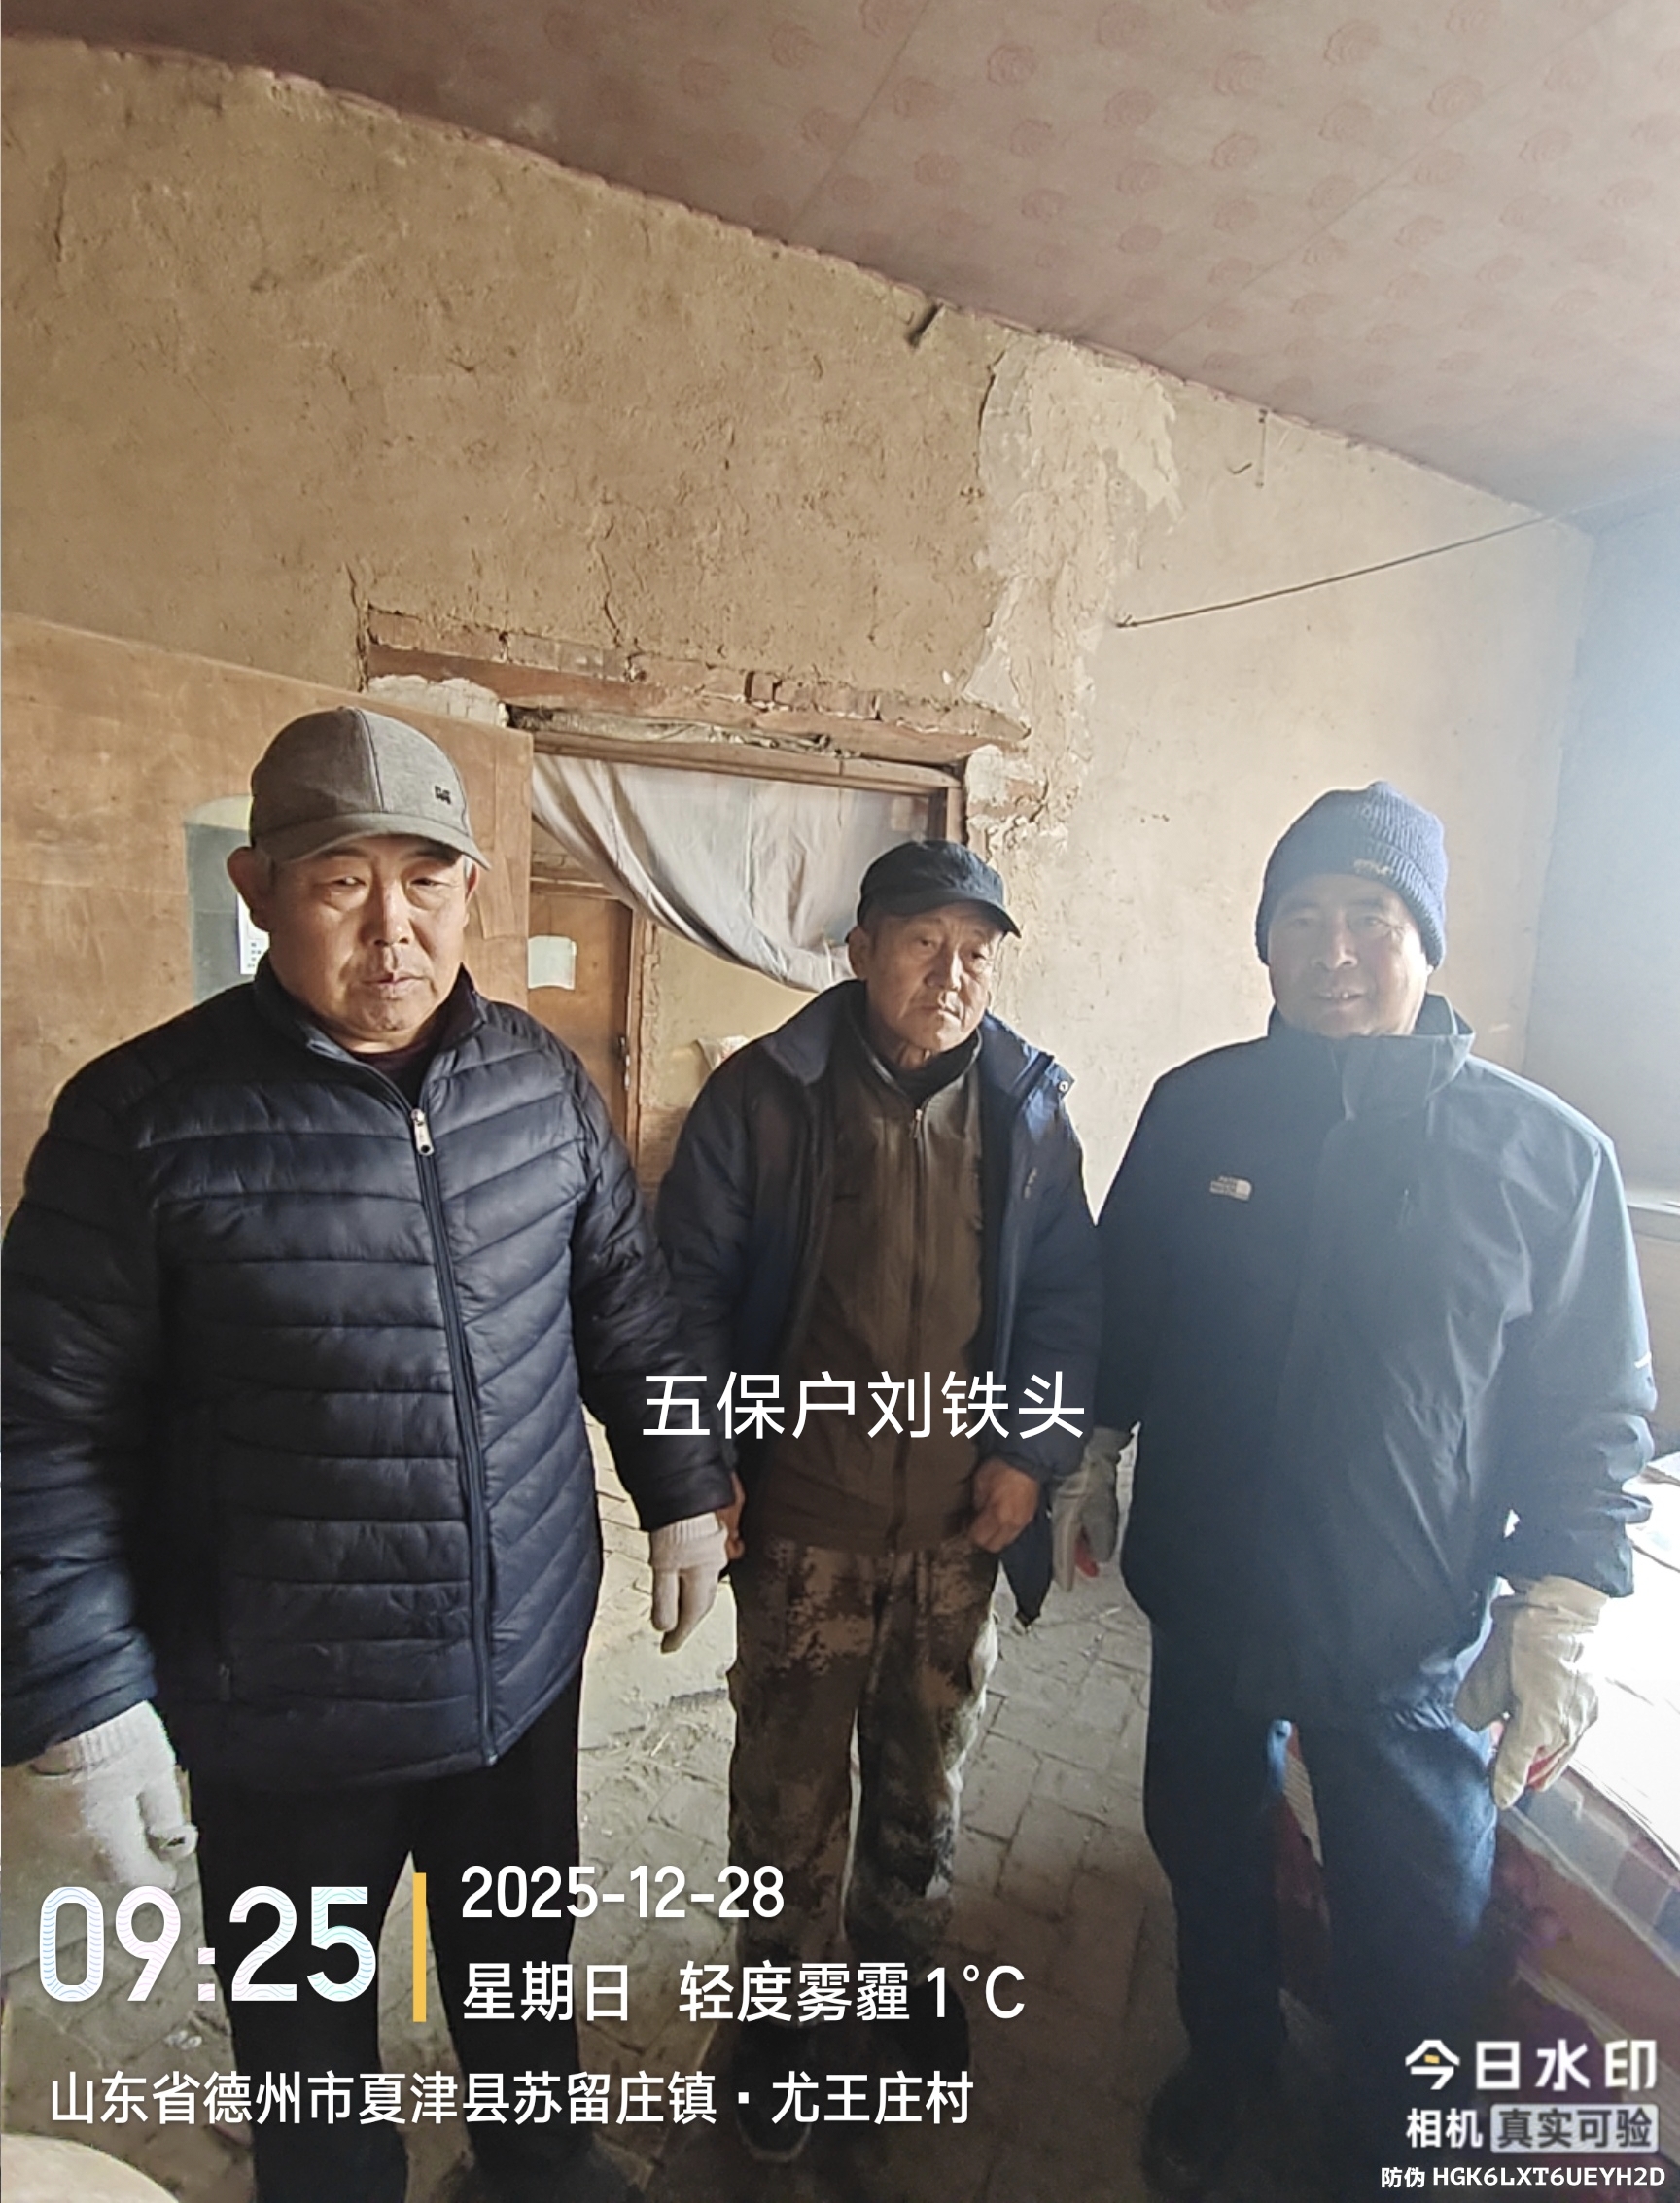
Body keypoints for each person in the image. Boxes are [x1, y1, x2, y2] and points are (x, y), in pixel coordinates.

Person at [2, 706, 739, 2203]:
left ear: (470, 888)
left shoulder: (537, 1082)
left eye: (427, 878)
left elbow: (627, 1306)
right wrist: (83, 1698)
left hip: (518, 1670)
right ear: (260, 889)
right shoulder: (140, 1124)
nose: (393, 928)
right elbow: (40, 1428)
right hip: (284, 1709)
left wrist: (682, 1485)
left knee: (521, 1973)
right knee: (312, 2057)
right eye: (343, 881)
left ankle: (538, 2168)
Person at [1069, 782, 1654, 2194]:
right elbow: (1124, 1304)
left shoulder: (1545, 1157)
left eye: (1371, 919)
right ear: (1266, 941)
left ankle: (1391, 2141)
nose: (1334, 951)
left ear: (1427, 941)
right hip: (1210, 1592)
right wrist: (1092, 1446)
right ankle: (1230, 2067)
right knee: (1209, 1856)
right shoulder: (1200, 1110)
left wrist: (1561, 1604)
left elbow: (1592, 1408)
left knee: (1419, 1916)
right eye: (1303, 919)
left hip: (1406, 1622)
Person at [656, 837, 1101, 2162]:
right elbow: (684, 1294)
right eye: (922, 944)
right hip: (804, 1519)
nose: (950, 976)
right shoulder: (765, 1097)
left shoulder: (1028, 1111)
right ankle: (780, 2016)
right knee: (785, 1791)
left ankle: (904, 1976)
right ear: (859, 951)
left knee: (925, 1774)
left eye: (976, 954)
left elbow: (1068, 1302)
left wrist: (1031, 1451)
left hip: (961, 1526)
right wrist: (698, 1474)